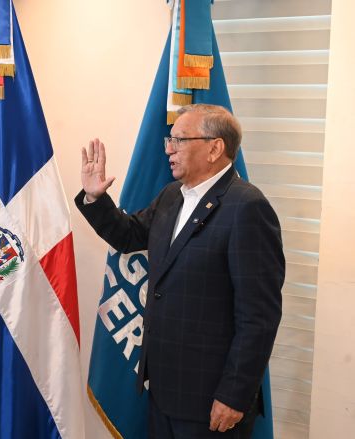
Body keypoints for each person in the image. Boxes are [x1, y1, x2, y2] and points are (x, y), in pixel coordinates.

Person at [76, 104, 284, 438]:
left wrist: (234, 395)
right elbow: (129, 236)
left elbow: (259, 317)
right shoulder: (173, 195)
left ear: (214, 148)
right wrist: (95, 198)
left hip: (211, 398)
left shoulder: (247, 207)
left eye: (180, 140)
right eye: (169, 140)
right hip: (163, 389)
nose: (169, 149)